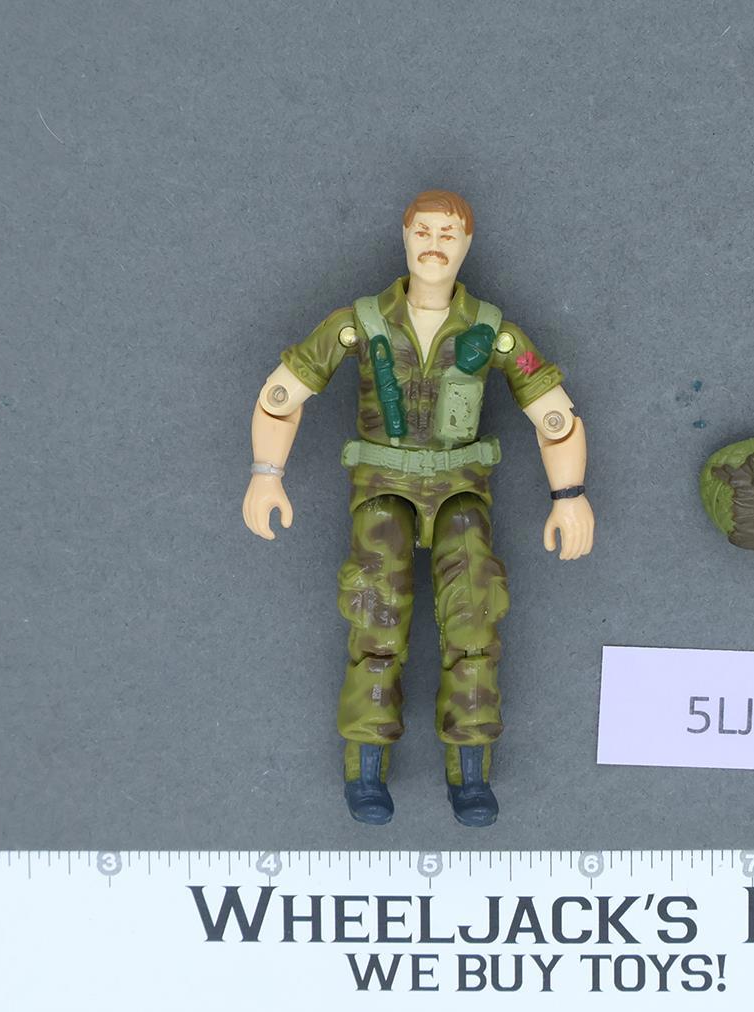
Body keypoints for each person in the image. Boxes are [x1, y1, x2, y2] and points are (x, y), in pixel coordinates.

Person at [242, 190, 594, 826]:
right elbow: (281, 394)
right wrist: (266, 475)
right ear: (405, 236)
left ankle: (470, 774)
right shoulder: (359, 323)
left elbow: (555, 415)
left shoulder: (492, 331)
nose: (435, 244)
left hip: (462, 492)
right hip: (383, 488)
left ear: (466, 245)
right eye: (424, 231)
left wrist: (569, 496)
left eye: (448, 234)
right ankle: (365, 769)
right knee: (375, 619)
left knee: (474, 621)